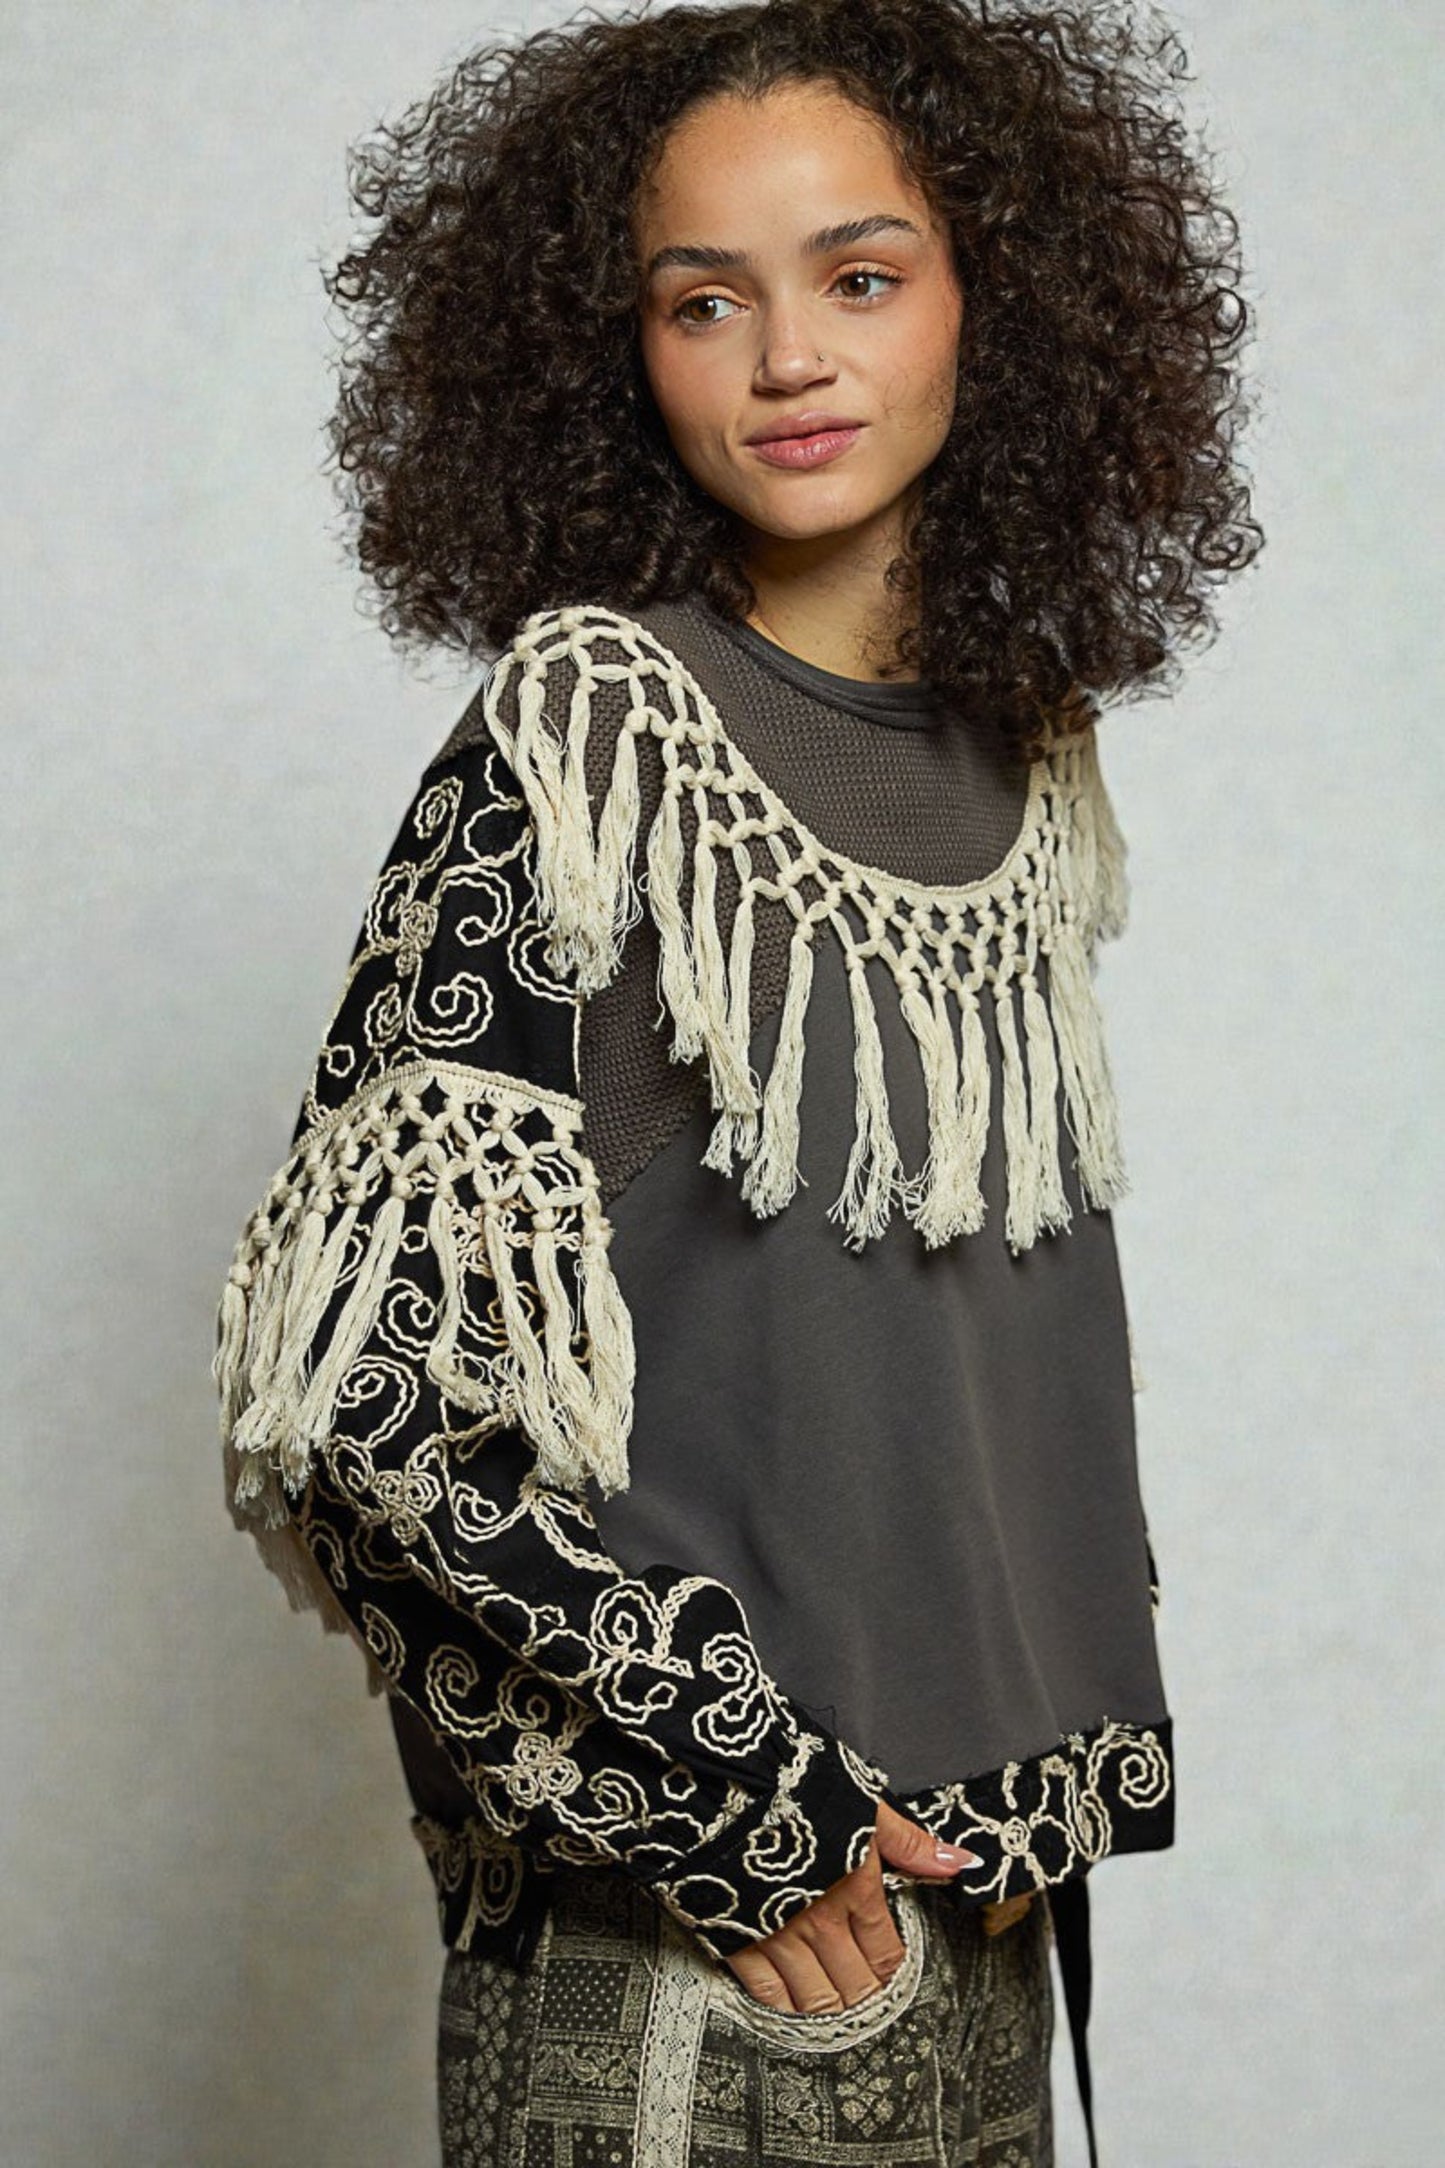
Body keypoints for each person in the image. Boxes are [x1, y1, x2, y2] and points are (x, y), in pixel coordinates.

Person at [212, 2, 1261, 2160]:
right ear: (623, 354)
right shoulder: (585, 738)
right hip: (715, 1959)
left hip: (982, 1919)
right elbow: (360, 1403)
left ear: (1007, 299)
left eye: (860, 277)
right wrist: (741, 1807)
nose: (791, 357)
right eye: (708, 300)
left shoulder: (1025, 749)